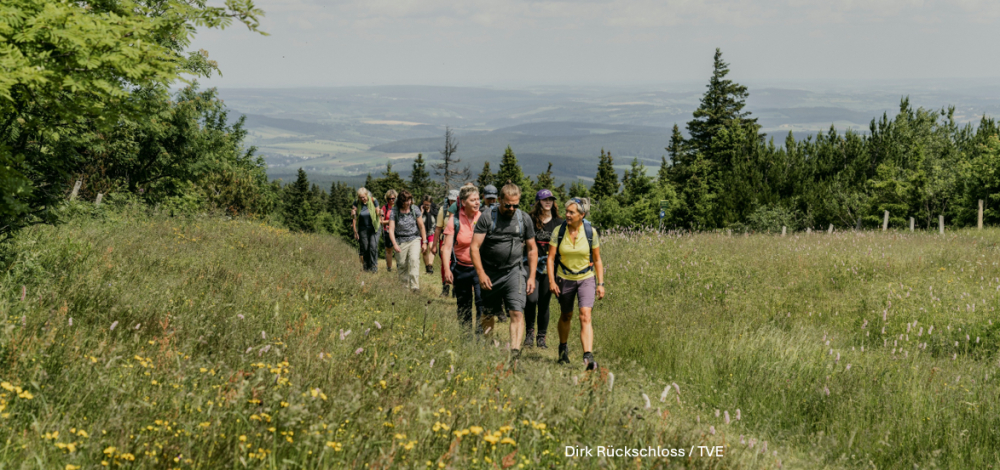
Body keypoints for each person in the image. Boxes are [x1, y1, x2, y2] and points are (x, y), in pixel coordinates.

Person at [470, 182, 537, 367]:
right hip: (490, 272)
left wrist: (531, 276)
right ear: (499, 200)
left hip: (514, 271)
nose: (511, 208)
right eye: (507, 205)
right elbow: (474, 247)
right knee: (489, 313)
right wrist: (481, 274)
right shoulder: (487, 218)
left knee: (516, 311)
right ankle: (487, 346)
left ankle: (514, 354)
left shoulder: (524, 219)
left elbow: (532, 249)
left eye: (515, 205)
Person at [547, 197, 605, 371]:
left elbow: (597, 260)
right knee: (566, 315)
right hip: (564, 278)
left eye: (572, 212)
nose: (567, 215)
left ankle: (588, 355)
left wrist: (600, 283)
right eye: (567, 211)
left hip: (586, 278)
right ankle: (563, 348)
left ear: (582, 215)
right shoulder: (559, 231)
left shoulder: (590, 232)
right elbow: (550, 259)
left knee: (585, 314)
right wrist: (551, 281)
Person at [442, 184, 485, 338]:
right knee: (464, 305)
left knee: (482, 302)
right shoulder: (454, 221)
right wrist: (447, 270)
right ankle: (466, 337)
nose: (477, 202)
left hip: (480, 269)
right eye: (473, 200)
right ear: (464, 202)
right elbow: (446, 248)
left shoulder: (483, 218)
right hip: (461, 268)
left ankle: (481, 336)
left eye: (478, 199)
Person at [523, 189, 562, 349]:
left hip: (549, 267)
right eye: (545, 199)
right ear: (538, 201)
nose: (548, 202)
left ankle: (541, 337)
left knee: (544, 303)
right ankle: (529, 333)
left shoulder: (559, 223)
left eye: (551, 199)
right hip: (530, 264)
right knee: (531, 299)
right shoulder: (530, 219)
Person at [387, 190, 427, 292]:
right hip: (400, 240)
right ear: (401, 201)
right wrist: (394, 244)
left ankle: (415, 287)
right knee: (402, 265)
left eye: (409, 199)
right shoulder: (395, 211)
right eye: (406, 200)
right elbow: (391, 230)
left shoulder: (415, 209)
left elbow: (421, 226)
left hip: (414, 239)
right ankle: (404, 289)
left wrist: (425, 241)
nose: (408, 202)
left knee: (414, 260)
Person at [433, 189, 460, 297]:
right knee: (446, 264)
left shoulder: (462, 210)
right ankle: (445, 287)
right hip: (444, 239)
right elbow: (438, 228)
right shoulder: (443, 210)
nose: (452, 203)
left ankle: (456, 288)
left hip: (458, 240)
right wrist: (434, 245)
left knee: (457, 264)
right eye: (451, 200)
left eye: (454, 201)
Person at [352, 188, 381, 272]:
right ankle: (367, 267)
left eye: (363, 197)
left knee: (373, 247)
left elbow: (377, 211)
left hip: (374, 227)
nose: (362, 199)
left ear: (367, 195)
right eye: (360, 197)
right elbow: (354, 218)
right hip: (363, 228)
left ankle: (374, 266)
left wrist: (380, 212)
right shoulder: (356, 203)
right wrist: (355, 231)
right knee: (365, 248)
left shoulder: (373, 200)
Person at [381, 190, 398, 272]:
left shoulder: (398, 206)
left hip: (397, 230)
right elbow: (381, 221)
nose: (392, 200)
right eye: (390, 198)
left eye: (393, 198)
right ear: (387, 199)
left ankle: (399, 266)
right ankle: (389, 268)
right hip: (387, 230)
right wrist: (390, 221)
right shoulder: (385, 207)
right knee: (389, 249)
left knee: (398, 249)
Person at [420, 195, 437, 274]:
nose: (426, 206)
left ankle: (430, 266)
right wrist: (421, 212)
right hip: (422, 233)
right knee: (424, 250)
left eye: (428, 204)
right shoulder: (419, 208)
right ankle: (427, 267)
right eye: (425, 204)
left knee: (431, 248)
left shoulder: (434, 209)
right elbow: (418, 221)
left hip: (431, 231)